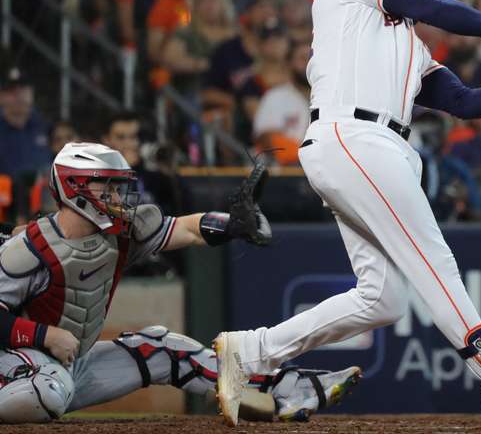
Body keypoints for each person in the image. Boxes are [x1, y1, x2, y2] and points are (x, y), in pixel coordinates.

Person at [214, 0, 481, 429]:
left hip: (365, 149)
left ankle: (254, 350)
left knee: (382, 298)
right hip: (356, 138)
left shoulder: (408, 46)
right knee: (435, 265)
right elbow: (428, 5)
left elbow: (464, 102)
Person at [0, 142, 360, 423]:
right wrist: (44, 336)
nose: (116, 194)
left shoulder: (123, 231)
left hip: (67, 366)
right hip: (19, 365)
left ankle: (288, 389)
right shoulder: (28, 249)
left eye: (117, 185)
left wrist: (234, 224)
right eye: (105, 185)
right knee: (46, 392)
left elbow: (186, 228)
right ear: (74, 187)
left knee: (163, 347)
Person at [0, 68, 51, 179]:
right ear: (1, 97)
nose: (18, 95)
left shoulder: (44, 126)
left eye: (23, 89)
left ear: (31, 94)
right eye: (11, 91)